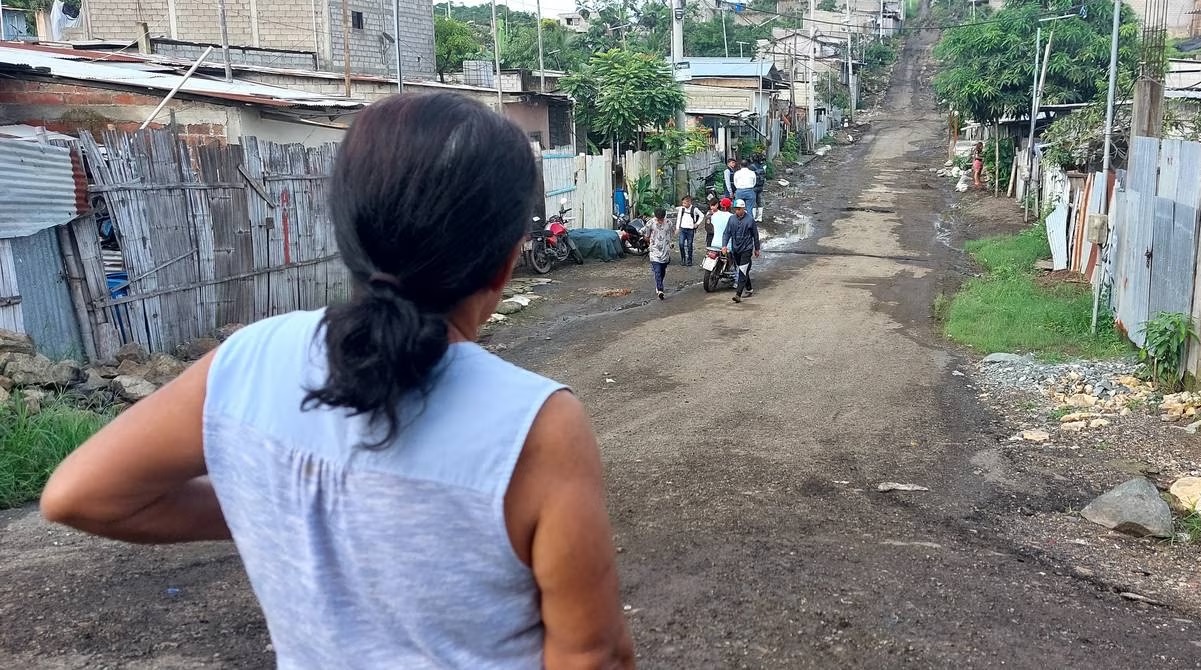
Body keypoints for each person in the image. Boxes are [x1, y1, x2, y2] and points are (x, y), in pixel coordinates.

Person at [39, 93, 636, 670]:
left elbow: (77, 494)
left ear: (346, 233)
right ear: (508, 258)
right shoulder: (537, 426)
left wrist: (275, 498)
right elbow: (592, 656)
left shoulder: (248, 360)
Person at [722, 198, 760, 303]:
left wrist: (757, 248)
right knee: (743, 268)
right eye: (736, 209)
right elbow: (727, 233)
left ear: (743, 208)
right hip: (736, 248)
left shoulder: (750, 220)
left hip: (746, 248)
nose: (737, 211)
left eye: (739, 209)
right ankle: (749, 288)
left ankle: (738, 294)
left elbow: (755, 235)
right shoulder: (731, 219)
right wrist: (724, 245)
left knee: (742, 270)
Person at [645, 207, 675, 300]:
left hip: (665, 251)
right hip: (654, 250)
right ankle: (660, 290)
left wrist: (670, 243)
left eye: (662, 219)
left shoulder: (669, 223)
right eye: (659, 219)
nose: (660, 220)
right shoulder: (650, 223)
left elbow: (671, 234)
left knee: (662, 270)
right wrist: (650, 243)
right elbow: (647, 235)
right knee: (657, 271)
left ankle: (659, 285)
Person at [674, 194, 705, 266]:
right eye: (683, 203)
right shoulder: (681, 209)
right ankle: (683, 259)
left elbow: (702, 215)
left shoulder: (694, 209)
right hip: (682, 229)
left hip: (690, 230)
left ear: (689, 202)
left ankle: (689, 260)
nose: (683, 204)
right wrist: (677, 228)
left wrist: (697, 224)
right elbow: (679, 218)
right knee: (681, 244)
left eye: (685, 203)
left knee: (689, 245)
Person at [750, 154, 767, 222]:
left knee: (753, 202)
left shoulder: (751, 167)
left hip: (753, 187)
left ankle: (753, 217)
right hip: (760, 187)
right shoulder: (762, 167)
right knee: (760, 202)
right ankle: (760, 217)